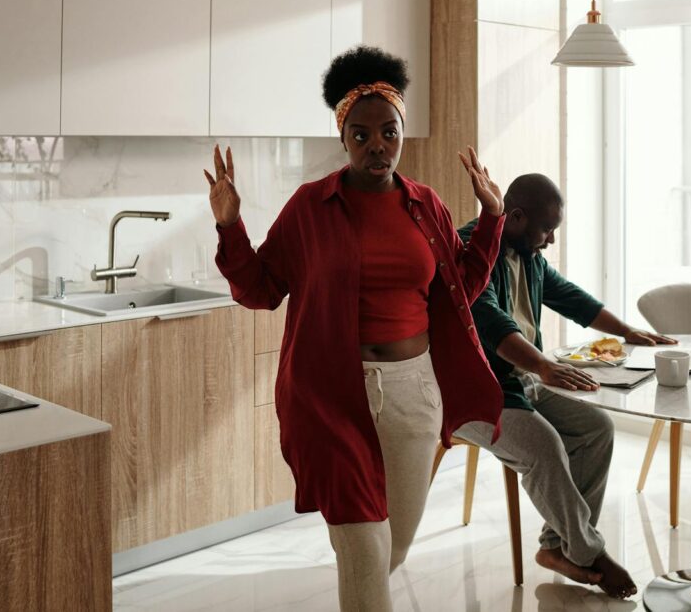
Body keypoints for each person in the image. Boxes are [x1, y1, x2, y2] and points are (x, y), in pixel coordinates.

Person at [204, 46, 507, 612]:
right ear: (343, 138)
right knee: (367, 552)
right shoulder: (310, 207)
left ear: (401, 133)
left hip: (415, 395)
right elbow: (260, 290)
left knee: (389, 548)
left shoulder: (427, 206)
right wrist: (230, 226)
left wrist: (492, 219)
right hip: (332, 395)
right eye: (361, 134)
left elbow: (456, 293)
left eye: (388, 132)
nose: (377, 146)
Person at [454, 173, 675, 600]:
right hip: (476, 393)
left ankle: (557, 548)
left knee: (596, 429)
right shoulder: (472, 249)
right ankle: (589, 553)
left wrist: (628, 331)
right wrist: (542, 365)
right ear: (515, 217)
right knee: (544, 447)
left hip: (521, 382)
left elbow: (572, 298)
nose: (551, 240)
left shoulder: (528, 253)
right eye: (547, 230)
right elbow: (487, 319)